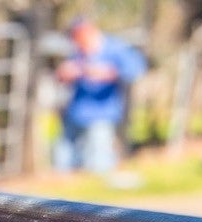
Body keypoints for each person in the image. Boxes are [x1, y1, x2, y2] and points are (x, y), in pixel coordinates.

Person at [53, 16, 146, 175]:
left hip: (102, 115)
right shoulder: (78, 53)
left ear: (90, 32)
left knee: (98, 162)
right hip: (75, 114)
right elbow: (62, 76)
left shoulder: (115, 48)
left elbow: (136, 70)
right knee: (64, 159)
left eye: (79, 37)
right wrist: (65, 73)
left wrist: (107, 73)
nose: (78, 43)